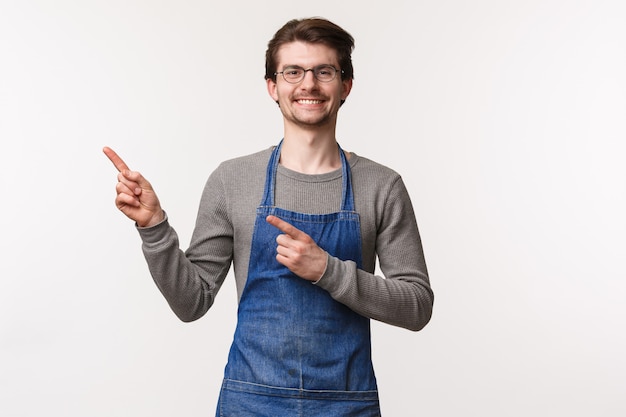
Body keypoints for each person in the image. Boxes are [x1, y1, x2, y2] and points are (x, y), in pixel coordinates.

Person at [104, 17, 433, 417]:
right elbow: (192, 302)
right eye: (293, 71)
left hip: (347, 406)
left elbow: (417, 306)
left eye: (323, 71)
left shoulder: (381, 185)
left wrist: (329, 271)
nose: (308, 84)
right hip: (250, 403)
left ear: (345, 85)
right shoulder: (232, 179)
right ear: (272, 87)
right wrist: (154, 227)